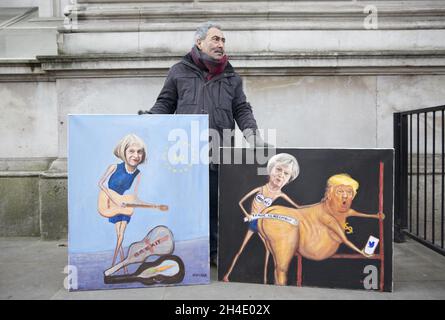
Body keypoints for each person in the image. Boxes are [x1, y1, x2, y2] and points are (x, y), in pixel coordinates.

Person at [138, 21, 267, 266]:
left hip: (218, 150)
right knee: (185, 203)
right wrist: (150, 120)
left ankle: (214, 252)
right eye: (215, 39)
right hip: (184, 152)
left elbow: (241, 108)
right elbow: (165, 103)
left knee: (215, 205)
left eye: (223, 40)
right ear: (200, 42)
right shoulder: (179, 71)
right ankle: (186, 250)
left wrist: (253, 135)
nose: (220, 44)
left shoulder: (231, 77)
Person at [258, 173, 385, 286]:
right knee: (282, 267)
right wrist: (361, 252)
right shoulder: (326, 217)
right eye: (340, 192)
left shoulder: (344, 212)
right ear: (330, 194)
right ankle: (280, 291)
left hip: (285, 221)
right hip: (285, 223)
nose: (345, 196)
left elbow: (356, 213)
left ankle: (278, 288)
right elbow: (345, 240)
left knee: (280, 265)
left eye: (349, 192)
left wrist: (375, 216)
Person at [222, 153, 300, 283]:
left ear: (289, 179)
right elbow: (241, 202)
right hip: (253, 222)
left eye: (286, 173)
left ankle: (265, 280)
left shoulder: (280, 195)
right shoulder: (261, 189)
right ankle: (227, 275)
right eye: (278, 169)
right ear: (270, 170)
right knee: (240, 249)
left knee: (268, 251)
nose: (281, 175)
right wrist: (247, 214)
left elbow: (297, 206)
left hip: (264, 225)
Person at [98, 134, 146, 272]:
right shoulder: (114, 167)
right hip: (111, 203)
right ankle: (117, 266)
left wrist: (133, 202)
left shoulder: (138, 173)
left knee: (121, 235)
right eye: (131, 151)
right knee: (118, 235)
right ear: (123, 152)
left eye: (139, 151)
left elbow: (134, 195)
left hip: (123, 205)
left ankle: (118, 267)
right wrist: (113, 199)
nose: (136, 155)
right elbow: (100, 184)